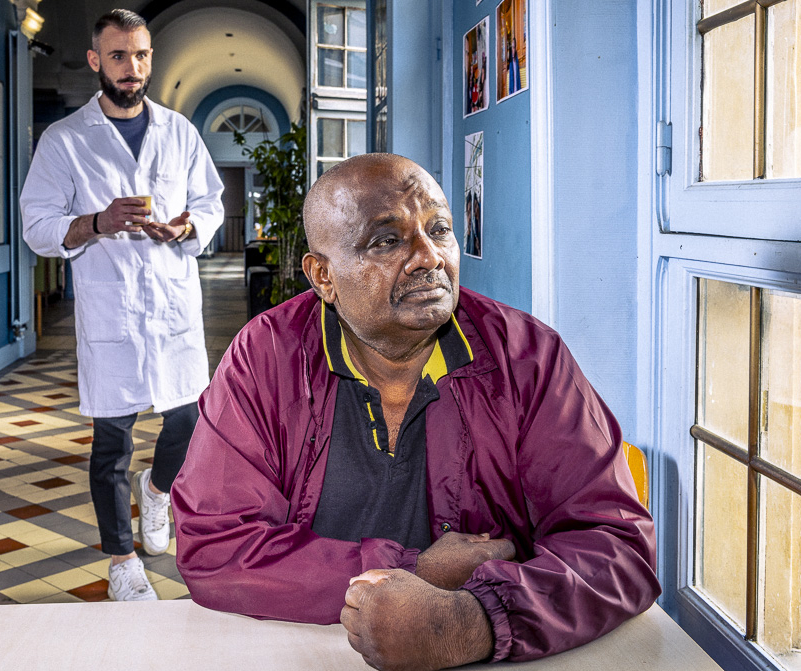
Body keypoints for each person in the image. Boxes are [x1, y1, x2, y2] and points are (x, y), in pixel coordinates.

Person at [172, 153, 659, 669]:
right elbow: (215, 544)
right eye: (387, 240)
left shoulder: (526, 357)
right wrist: (416, 570)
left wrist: (470, 624)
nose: (429, 256)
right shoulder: (268, 357)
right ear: (322, 277)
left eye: (440, 229)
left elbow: (617, 546)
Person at [20, 8, 224, 602]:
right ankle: (121, 562)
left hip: (173, 307)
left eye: (140, 55)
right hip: (110, 312)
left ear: (150, 59)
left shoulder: (179, 131)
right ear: (94, 61)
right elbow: (38, 226)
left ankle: (157, 492)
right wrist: (98, 222)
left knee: (187, 419)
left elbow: (209, 201)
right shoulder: (64, 141)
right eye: (118, 56)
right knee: (112, 440)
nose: (131, 68)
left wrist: (189, 227)